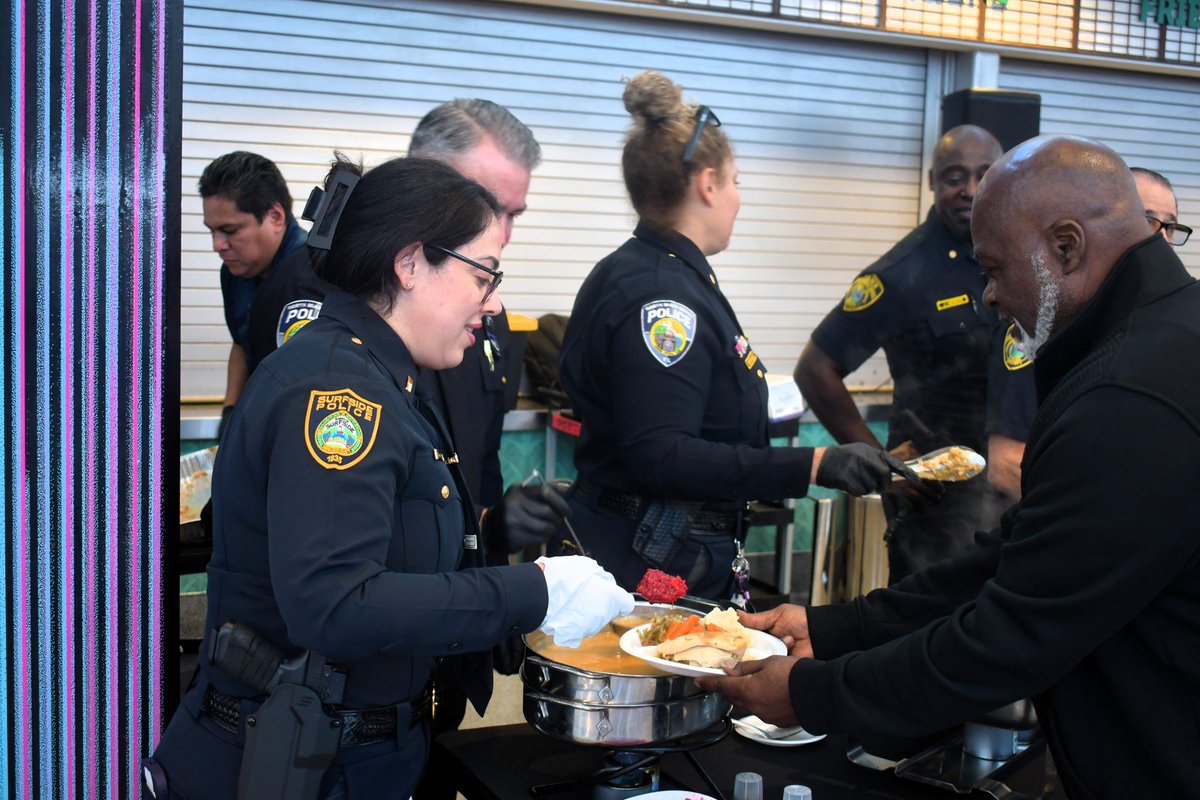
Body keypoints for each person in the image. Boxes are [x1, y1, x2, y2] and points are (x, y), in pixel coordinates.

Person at [697, 135, 1200, 800]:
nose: (989, 296)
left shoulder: (1129, 399)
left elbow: (1009, 638)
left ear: (1067, 247)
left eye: (995, 270)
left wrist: (812, 694)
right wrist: (833, 627)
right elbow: (1013, 555)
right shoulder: (1155, 339)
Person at [148, 157, 633, 800]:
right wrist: (534, 592)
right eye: (483, 273)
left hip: (359, 756)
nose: (493, 302)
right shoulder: (336, 390)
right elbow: (337, 603)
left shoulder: (381, 373)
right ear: (409, 264)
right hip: (298, 764)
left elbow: (390, 540)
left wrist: (490, 531)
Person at [553, 71, 912, 601]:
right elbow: (661, 453)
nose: (739, 199)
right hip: (650, 557)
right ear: (707, 183)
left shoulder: (653, 272)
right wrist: (813, 463)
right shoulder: (663, 297)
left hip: (658, 544)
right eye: (737, 180)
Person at [794, 124, 1009, 584]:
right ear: (932, 181)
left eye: (984, 175)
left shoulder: (1017, 255)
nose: (969, 190)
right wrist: (886, 468)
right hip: (939, 502)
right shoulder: (901, 273)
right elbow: (815, 369)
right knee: (929, 631)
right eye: (954, 177)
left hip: (1015, 491)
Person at [984, 164, 1191, 501]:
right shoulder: (1042, 323)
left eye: (1170, 228)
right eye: (1148, 221)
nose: (1161, 240)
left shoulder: (1170, 324)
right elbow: (1006, 463)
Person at [198, 151, 307, 433]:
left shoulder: (316, 277)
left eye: (230, 230)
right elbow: (241, 343)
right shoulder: (236, 271)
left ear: (275, 216)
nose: (217, 245)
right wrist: (230, 411)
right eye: (212, 232)